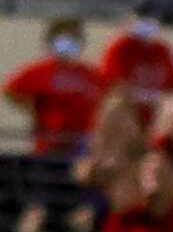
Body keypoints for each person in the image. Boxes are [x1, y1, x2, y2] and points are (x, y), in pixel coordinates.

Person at [7, 17, 104, 159]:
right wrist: (31, 110)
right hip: (50, 142)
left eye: (74, 37)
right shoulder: (40, 70)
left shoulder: (89, 74)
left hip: (81, 142)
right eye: (64, 37)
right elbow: (10, 90)